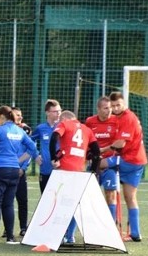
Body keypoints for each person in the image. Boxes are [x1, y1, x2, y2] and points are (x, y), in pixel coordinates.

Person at [0, 106, 37, 245]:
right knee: (8, 204)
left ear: (2, 116)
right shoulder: (19, 131)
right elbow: (32, 147)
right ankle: (10, 237)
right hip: (14, 170)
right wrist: (25, 159)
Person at [50, 110, 101, 244]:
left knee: (60, 204)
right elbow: (97, 151)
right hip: (80, 172)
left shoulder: (65, 125)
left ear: (65, 118)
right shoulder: (87, 130)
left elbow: (54, 137)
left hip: (64, 171)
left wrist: (53, 157)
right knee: (74, 204)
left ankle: (58, 235)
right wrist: (94, 170)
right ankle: (70, 235)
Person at [107, 91, 148, 242]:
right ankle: (135, 233)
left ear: (124, 103)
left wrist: (102, 150)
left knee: (100, 164)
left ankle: (109, 227)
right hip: (137, 160)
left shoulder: (128, 118)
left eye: (118, 105)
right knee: (130, 197)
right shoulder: (120, 117)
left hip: (130, 160)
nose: (116, 108)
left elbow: (120, 143)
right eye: (113, 106)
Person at [85, 96, 119, 222]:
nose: (109, 110)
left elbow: (119, 142)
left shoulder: (117, 121)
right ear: (98, 109)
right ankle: (88, 223)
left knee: (110, 194)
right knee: (86, 195)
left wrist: (104, 151)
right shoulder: (90, 122)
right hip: (94, 163)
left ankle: (111, 224)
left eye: (110, 108)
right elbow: (86, 140)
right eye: (105, 108)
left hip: (110, 164)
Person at [30, 99, 62, 193]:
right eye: (55, 111)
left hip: (60, 169)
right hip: (45, 170)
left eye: (60, 111)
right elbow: (29, 141)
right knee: (45, 199)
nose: (58, 113)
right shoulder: (41, 128)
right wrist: (35, 155)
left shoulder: (63, 126)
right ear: (47, 113)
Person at [11, 107, 32, 236]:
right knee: (6, 201)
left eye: (21, 115)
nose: (20, 117)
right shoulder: (4, 130)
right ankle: (7, 228)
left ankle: (23, 227)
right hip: (7, 169)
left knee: (22, 200)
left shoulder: (25, 131)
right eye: (17, 115)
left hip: (19, 172)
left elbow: (30, 150)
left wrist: (23, 168)